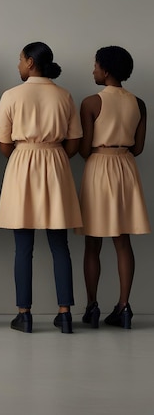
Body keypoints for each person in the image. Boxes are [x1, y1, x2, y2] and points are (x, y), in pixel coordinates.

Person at [0, 42, 82, 334]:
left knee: (23, 246)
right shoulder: (64, 95)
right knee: (60, 245)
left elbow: (4, 144)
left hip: (22, 164)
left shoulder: (11, 95)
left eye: (20, 60)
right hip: (56, 163)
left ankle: (24, 314)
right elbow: (73, 143)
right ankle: (65, 313)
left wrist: (25, 154)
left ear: (30, 62)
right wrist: (51, 154)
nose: (18, 65)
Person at [77, 46, 150, 329]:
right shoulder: (139, 103)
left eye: (95, 66)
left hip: (99, 165)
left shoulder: (91, 102)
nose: (93, 70)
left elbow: (84, 149)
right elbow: (139, 147)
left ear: (105, 70)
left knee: (92, 243)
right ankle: (124, 306)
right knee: (123, 241)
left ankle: (92, 306)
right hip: (126, 167)